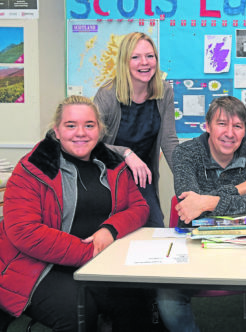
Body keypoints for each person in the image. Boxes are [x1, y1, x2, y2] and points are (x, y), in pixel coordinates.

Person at [0, 95, 150, 331]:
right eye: (71, 125)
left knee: (140, 302)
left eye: (89, 125)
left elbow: (139, 208)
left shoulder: (113, 164)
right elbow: (24, 232)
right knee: (79, 313)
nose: (81, 132)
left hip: (98, 262)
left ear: (99, 130)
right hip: (40, 267)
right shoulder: (32, 168)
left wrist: (110, 230)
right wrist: (91, 251)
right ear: (57, 131)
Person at [157, 96, 246, 332]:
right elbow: (190, 207)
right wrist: (244, 187)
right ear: (207, 126)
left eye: (237, 126)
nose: (229, 133)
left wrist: (206, 201)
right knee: (166, 293)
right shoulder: (185, 153)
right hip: (197, 246)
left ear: (245, 131)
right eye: (222, 124)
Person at [94, 31, 178, 228]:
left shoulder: (164, 91)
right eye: (136, 57)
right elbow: (89, 144)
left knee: (154, 228)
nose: (145, 62)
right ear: (125, 61)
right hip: (109, 178)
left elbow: (169, 141)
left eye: (150, 56)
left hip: (143, 179)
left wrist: (188, 179)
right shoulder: (107, 95)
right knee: (113, 234)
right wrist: (126, 153)